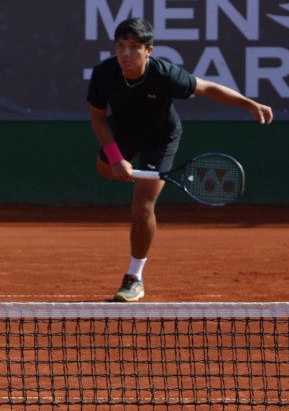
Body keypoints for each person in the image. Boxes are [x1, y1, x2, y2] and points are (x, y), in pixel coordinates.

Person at [88, 18, 273, 302]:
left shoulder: (165, 74)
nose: (126, 53)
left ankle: (134, 277)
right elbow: (98, 118)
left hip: (161, 139)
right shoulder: (104, 73)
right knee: (104, 171)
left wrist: (249, 103)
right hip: (122, 132)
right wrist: (115, 158)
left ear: (148, 51)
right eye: (120, 46)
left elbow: (207, 88)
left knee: (142, 205)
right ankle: (118, 164)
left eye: (134, 47)